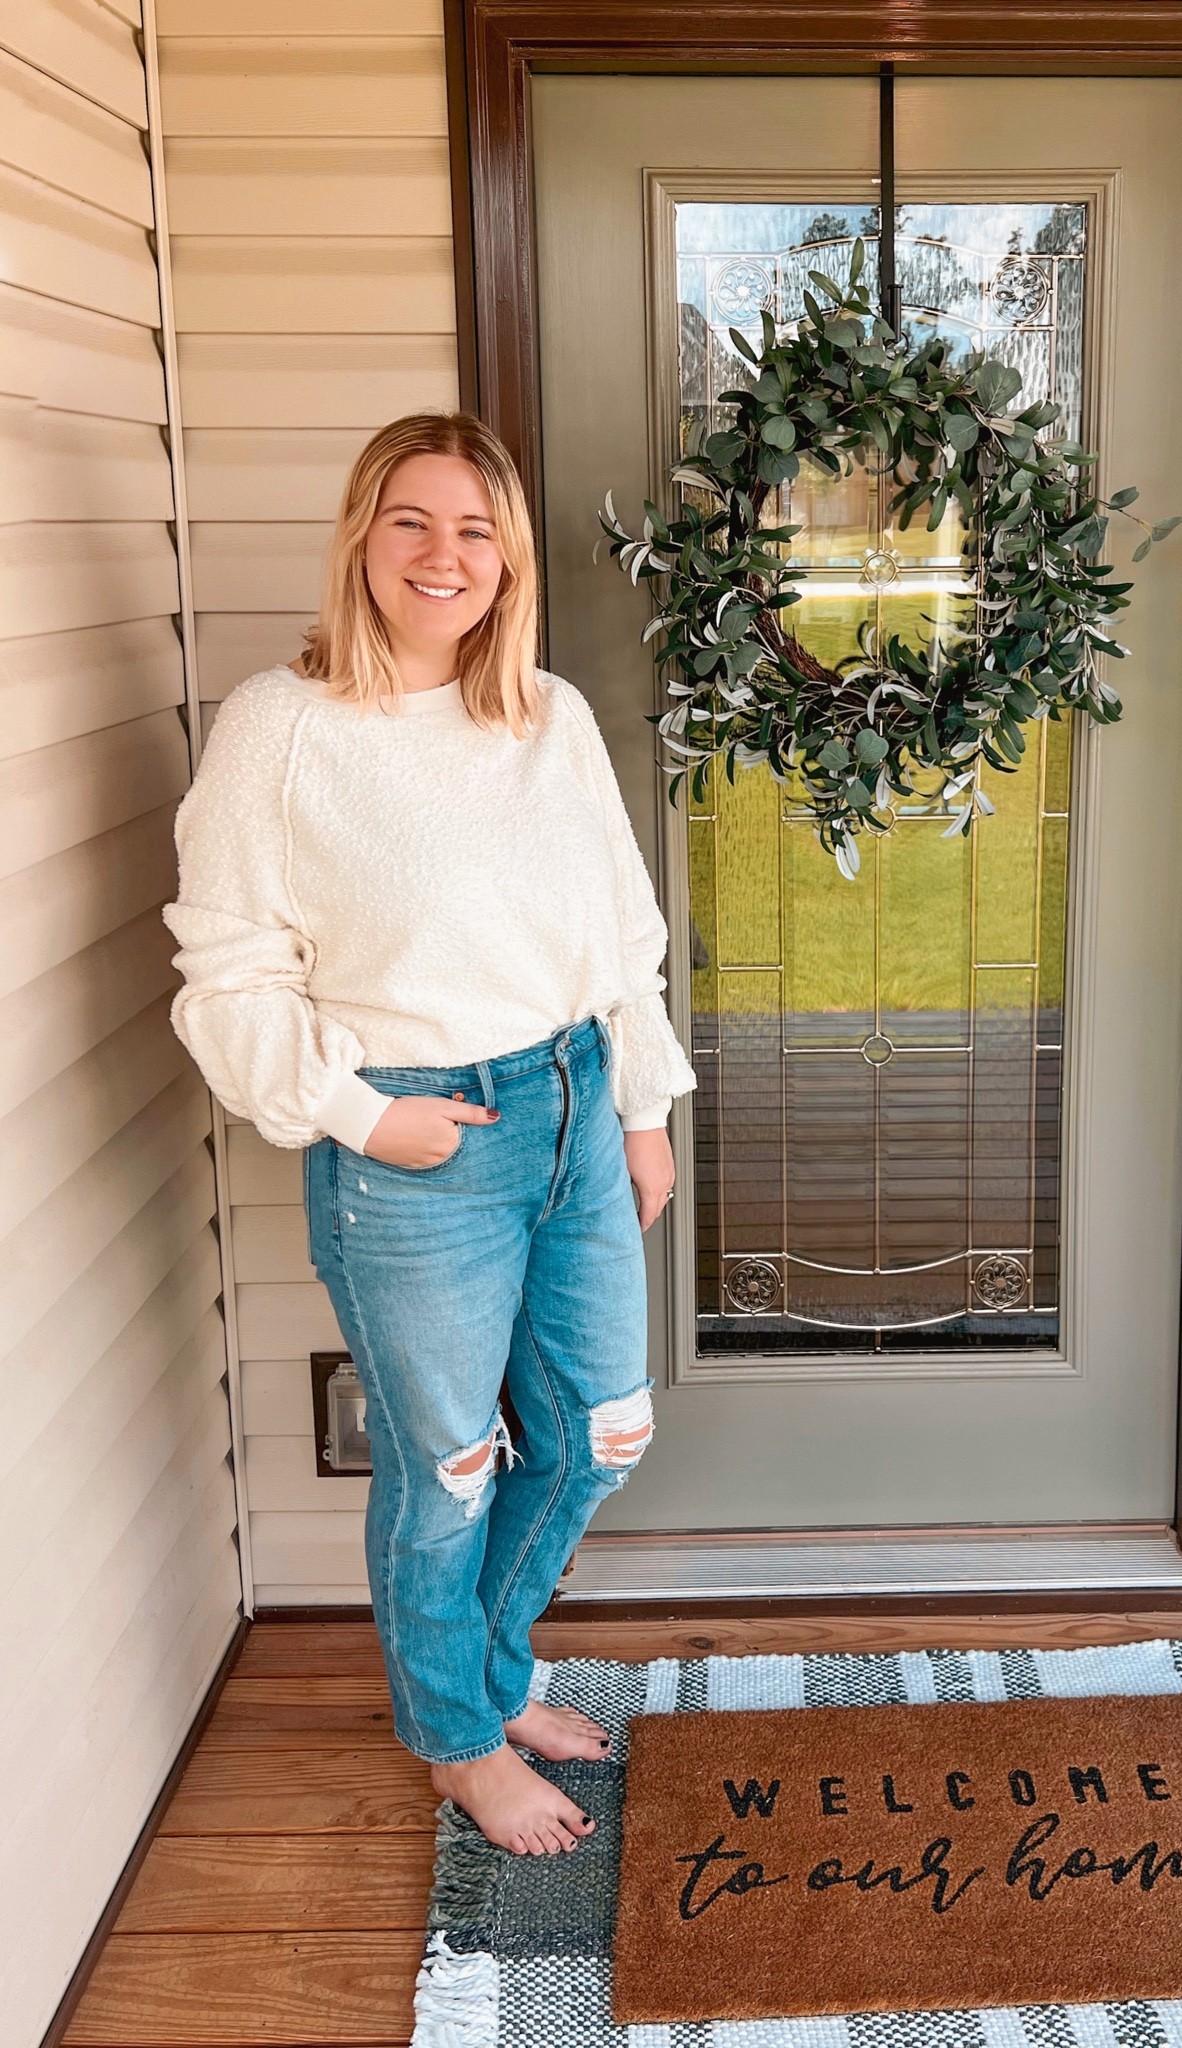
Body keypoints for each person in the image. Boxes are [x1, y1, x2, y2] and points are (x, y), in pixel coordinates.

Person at [164, 410, 695, 1856]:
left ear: (507, 560)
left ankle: (491, 1677)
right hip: (420, 1146)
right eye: (412, 521)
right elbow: (228, 977)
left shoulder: (548, 717)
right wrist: (360, 1116)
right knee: (449, 1469)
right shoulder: (282, 729)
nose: (442, 555)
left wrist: (642, 1108)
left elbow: (622, 936)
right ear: (363, 536)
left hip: (576, 1104)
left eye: (475, 530)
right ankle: (458, 1739)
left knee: (597, 1435)